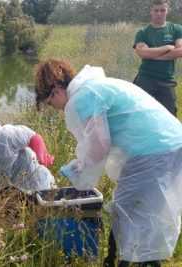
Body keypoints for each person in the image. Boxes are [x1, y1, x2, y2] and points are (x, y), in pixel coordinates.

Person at [34, 59, 182, 267]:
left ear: (56, 89)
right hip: (171, 141)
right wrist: (82, 163)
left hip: (153, 150)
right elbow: (101, 140)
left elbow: (99, 145)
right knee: (147, 211)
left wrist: (80, 169)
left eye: (51, 103)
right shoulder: (94, 86)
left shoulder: (82, 97)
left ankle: (118, 262)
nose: (57, 109)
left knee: (125, 209)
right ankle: (138, 261)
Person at [133, 0, 182, 117]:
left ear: (167, 11)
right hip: (145, 79)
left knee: (169, 117)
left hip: (166, 81)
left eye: (162, 10)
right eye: (156, 10)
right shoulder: (142, 32)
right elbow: (143, 53)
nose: (159, 13)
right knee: (141, 115)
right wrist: (167, 47)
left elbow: (180, 51)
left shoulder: (176, 29)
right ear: (151, 11)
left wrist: (155, 56)